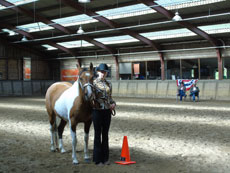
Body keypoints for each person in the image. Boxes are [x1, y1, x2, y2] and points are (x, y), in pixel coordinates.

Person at [92, 63, 116, 166]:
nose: (103, 74)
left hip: (107, 112)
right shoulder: (93, 83)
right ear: (97, 72)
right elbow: (90, 97)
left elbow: (110, 98)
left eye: (105, 72)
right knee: (98, 135)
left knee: (105, 135)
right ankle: (98, 159)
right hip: (97, 111)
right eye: (101, 72)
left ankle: (105, 158)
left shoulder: (109, 84)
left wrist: (113, 103)